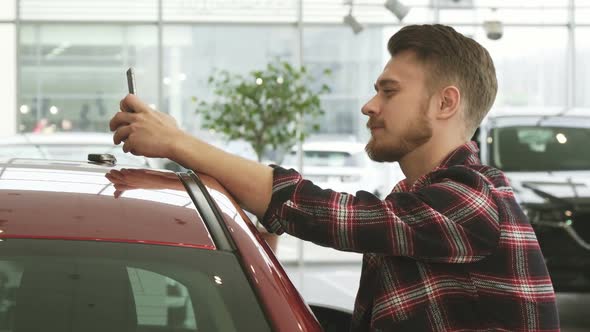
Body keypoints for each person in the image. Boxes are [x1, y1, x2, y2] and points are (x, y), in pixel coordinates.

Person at [110, 24, 559, 331]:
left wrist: (176, 142)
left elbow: (325, 213)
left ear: (445, 104)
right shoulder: (424, 199)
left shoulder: (473, 200)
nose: (369, 106)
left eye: (389, 91)